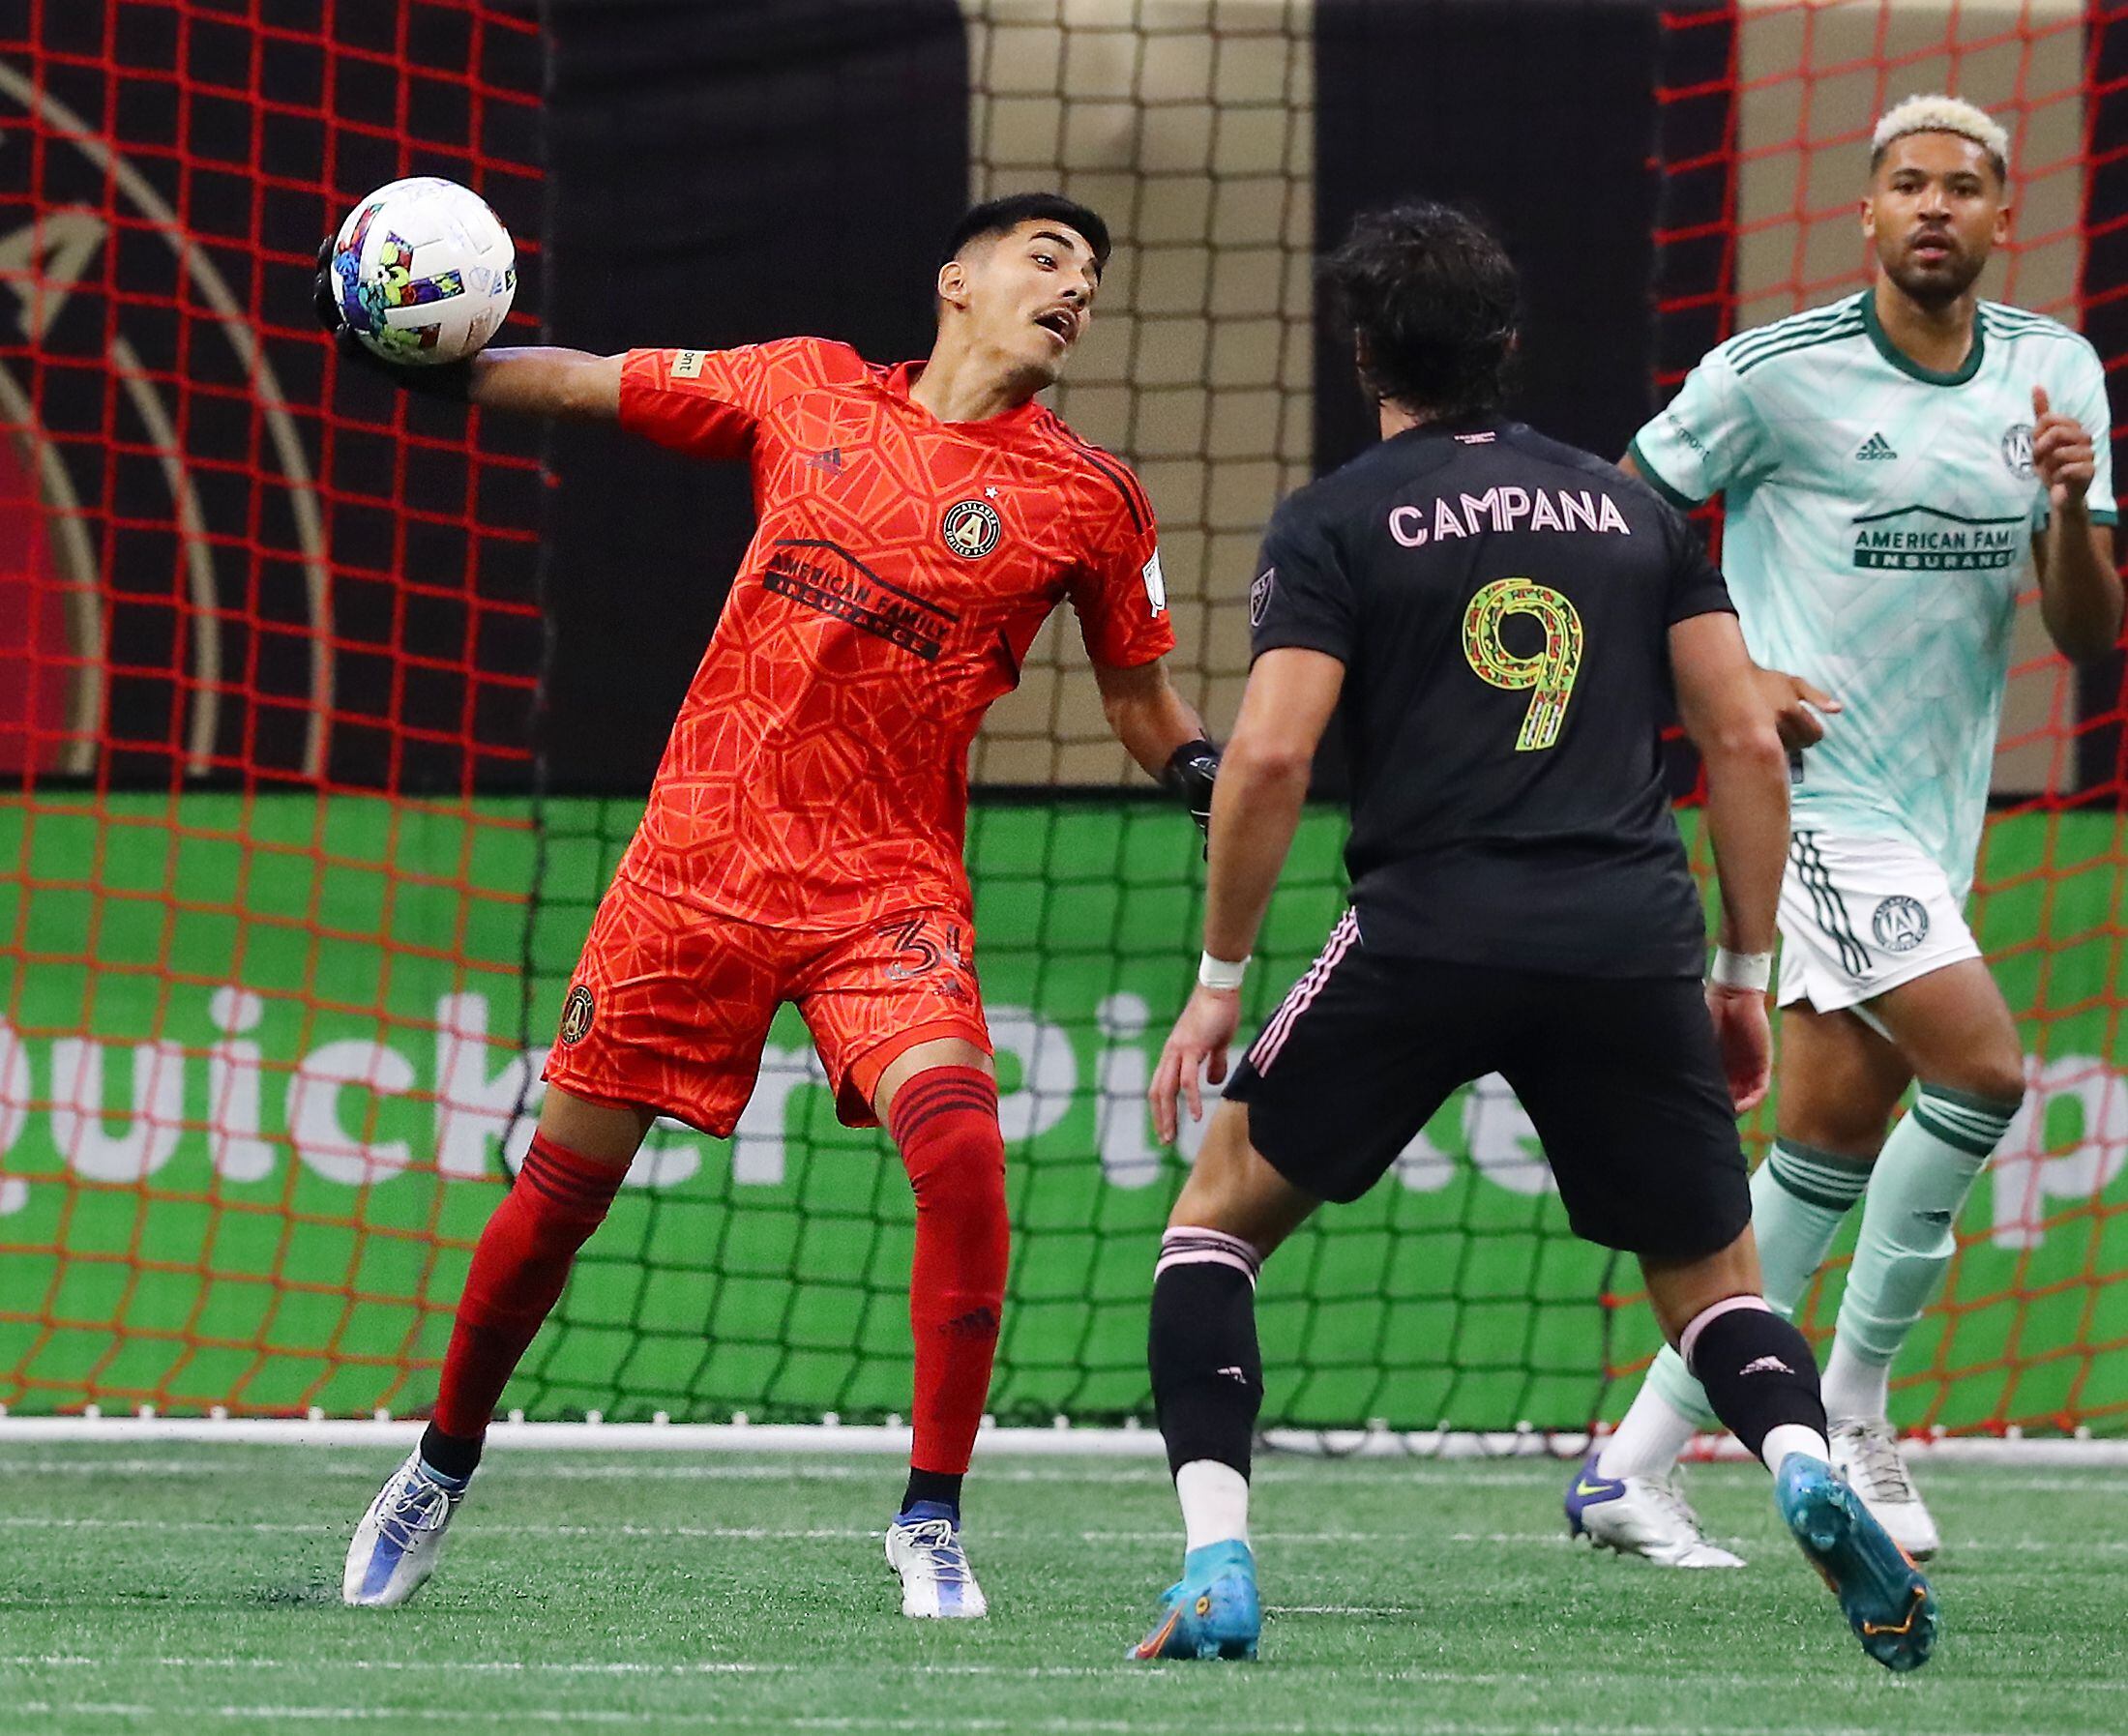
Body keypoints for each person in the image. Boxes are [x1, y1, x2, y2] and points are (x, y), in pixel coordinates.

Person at [319, 192, 1221, 1618]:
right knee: (559, 1201)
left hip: (884, 888)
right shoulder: (800, 387)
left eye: (1091, 279)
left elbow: (1135, 695)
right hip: (698, 862)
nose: (1076, 291)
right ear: (958, 282)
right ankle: (434, 1470)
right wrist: (417, 358)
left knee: (966, 1158)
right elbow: (587, 382)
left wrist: (1206, 773)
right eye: (1047, 261)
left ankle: (930, 1519)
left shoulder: (1089, 500)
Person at [1137, 201, 1935, 1672]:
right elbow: (1746, 742)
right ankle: (1806, 1472)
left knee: (1212, 1224)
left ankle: (1216, 1565)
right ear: (1508, 346)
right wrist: (1743, 975)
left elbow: (1262, 760)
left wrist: (1218, 981)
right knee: (1715, 1286)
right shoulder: (1637, 514)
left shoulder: (1332, 521)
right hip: (1629, 936)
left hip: (1430, 926)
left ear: (1362, 351)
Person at [1574, 94, 2120, 1569]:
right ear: (1864, 216)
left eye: (1964, 188)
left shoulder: (2056, 374)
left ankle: (1630, 1465)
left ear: (2006, 220)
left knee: (1823, 1143)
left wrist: (2069, 510)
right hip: (1810, 799)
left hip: (1942, 811)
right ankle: (1859, 1406)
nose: (1935, 207)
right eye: (1907, 186)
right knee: (1990, 1071)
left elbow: (2088, 632)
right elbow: (1618, 530)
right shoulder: (1774, 375)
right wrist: (1729, 676)